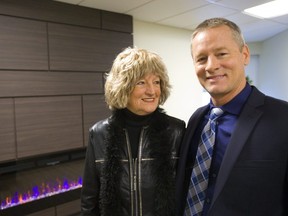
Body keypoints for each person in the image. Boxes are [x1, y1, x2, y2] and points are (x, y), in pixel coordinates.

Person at [176, 17, 288, 216]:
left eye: (221, 54)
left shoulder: (283, 118)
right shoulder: (197, 120)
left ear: (244, 54)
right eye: (201, 58)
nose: (211, 66)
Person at [81, 47, 185, 216]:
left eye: (156, 82)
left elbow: (186, 193)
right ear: (123, 87)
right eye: (141, 82)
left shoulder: (176, 131)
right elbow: (89, 201)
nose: (152, 91)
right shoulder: (99, 133)